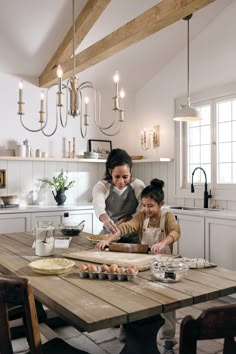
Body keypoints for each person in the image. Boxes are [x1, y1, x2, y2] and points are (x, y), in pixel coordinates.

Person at [96, 178, 180, 354]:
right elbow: (126, 227)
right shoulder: (142, 217)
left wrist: (163, 242)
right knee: (135, 295)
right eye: (143, 205)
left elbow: (175, 232)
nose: (146, 209)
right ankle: (128, 330)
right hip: (146, 263)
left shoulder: (168, 216)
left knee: (168, 302)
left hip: (166, 265)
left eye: (150, 206)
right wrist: (108, 239)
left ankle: (168, 341)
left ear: (161, 204)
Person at [92, 148, 145, 242]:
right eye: (117, 177)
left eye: (125, 177)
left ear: (130, 172)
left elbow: (141, 211)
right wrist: (106, 220)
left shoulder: (138, 185)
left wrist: (125, 220)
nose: (121, 181)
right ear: (110, 171)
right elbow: (98, 206)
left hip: (132, 236)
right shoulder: (102, 186)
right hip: (109, 234)